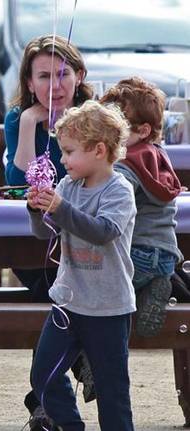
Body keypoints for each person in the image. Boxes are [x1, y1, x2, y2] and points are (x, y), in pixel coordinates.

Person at [3, 34, 95, 429]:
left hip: (84, 238)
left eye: (62, 75)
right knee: (57, 290)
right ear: (28, 82)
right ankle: (75, 363)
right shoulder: (18, 118)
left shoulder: (94, 117)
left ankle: (44, 399)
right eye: (43, 76)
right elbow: (17, 182)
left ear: (79, 76)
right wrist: (27, 124)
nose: (54, 86)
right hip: (35, 241)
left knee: (66, 292)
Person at [27, 100, 136, 431]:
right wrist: (36, 210)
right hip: (68, 302)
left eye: (69, 152)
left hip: (108, 307)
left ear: (99, 150)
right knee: (43, 375)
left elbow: (102, 232)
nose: (62, 160)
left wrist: (59, 209)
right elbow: (45, 232)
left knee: (111, 391)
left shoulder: (120, 191)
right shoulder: (67, 186)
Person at [101, 77, 184, 337]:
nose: (109, 132)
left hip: (134, 254)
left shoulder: (124, 167)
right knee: (125, 290)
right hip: (166, 256)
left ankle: (95, 367)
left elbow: (111, 205)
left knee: (96, 297)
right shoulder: (158, 156)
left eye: (117, 126)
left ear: (144, 130)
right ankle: (154, 286)